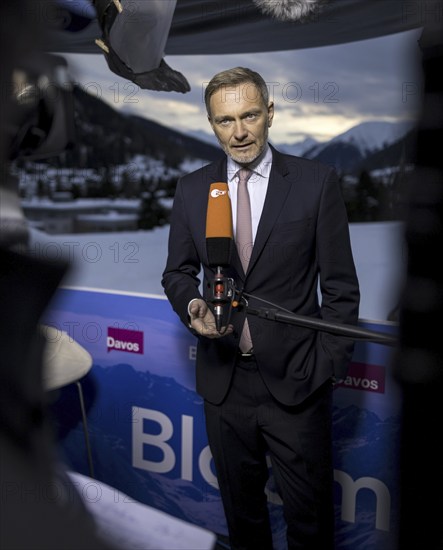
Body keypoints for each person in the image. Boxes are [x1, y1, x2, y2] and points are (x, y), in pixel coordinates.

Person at [161, 66, 360, 550]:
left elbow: (339, 287)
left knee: (310, 522)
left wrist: (326, 367)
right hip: (224, 382)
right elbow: (178, 273)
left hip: (297, 383)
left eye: (249, 115)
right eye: (225, 120)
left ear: (269, 113)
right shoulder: (192, 189)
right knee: (243, 519)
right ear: (212, 124)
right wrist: (192, 304)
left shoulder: (316, 183)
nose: (239, 131)